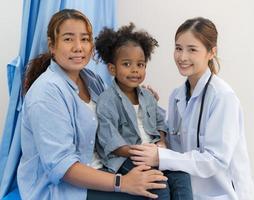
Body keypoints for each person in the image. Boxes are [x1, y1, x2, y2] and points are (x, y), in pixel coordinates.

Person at [17, 9, 167, 200]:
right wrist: (124, 182)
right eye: (68, 39)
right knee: (153, 194)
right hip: (65, 189)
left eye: (85, 39)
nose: (78, 47)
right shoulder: (46, 93)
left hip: (104, 170)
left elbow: (119, 116)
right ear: (52, 46)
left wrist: (142, 99)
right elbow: (62, 167)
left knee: (165, 181)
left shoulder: (92, 80)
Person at [130, 17, 254, 200]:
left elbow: (214, 161)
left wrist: (160, 156)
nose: (182, 57)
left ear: (211, 52)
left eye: (192, 50)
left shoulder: (223, 97)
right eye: (178, 48)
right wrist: (152, 106)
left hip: (223, 195)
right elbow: (177, 137)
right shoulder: (177, 95)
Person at [94, 23, 193, 200]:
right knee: (159, 185)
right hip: (125, 158)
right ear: (112, 68)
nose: (135, 70)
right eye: (127, 64)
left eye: (140, 64)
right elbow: (109, 140)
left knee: (181, 176)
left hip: (154, 153)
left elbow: (160, 122)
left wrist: (161, 144)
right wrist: (140, 153)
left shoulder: (147, 96)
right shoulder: (106, 100)